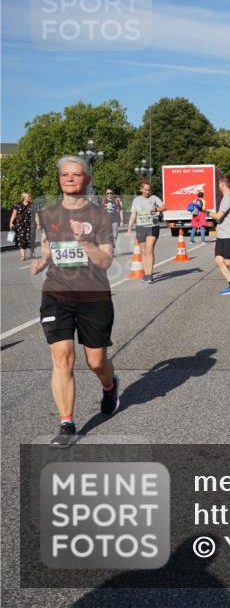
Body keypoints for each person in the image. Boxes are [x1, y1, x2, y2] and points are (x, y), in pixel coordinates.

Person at [32, 156, 120, 447]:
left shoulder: (100, 217)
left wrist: (86, 242)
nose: (69, 179)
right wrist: (43, 261)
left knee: (95, 361)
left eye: (76, 175)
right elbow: (48, 245)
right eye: (64, 175)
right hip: (56, 294)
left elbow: (106, 261)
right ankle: (67, 424)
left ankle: (109, 386)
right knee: (62, 359)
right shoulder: (46, 214)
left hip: (94, 296)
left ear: (87, 180)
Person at [127, 181, 166, 284]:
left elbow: (164, 207)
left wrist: (156, 209)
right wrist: (130, 226)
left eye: (149, 190)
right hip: (140, 227)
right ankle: (146, 274)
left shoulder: (154, 198)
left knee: (149, 250)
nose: (147, 191)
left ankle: (149, 274)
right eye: (145, 189)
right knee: (143, 252)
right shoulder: (136, 200)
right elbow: (133, 214)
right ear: (141, 190)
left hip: (152, 226)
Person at [10, 192, 36, 261]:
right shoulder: (18, 206)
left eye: (30, 196)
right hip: (20, 225)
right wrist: (11, 223)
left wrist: (38, 224)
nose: (30, 198)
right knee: (21, 240)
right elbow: (14, 214)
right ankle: (23, 256)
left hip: (30, 224)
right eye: (28, 197)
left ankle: (32, 253)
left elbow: (35, 215)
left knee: (30, 239)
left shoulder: (32, 206)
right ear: (24, 198)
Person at [102, 189, 124, 256]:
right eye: (108, 193)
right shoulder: (103, 201)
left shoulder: (116, 201)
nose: (109, 194)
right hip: (106, 221)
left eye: (111, 193)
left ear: (112, 193)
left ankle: (112, 248)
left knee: (115, 235)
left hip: (115, 220)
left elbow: (121, 210)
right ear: (106, 194)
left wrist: (122, 221)